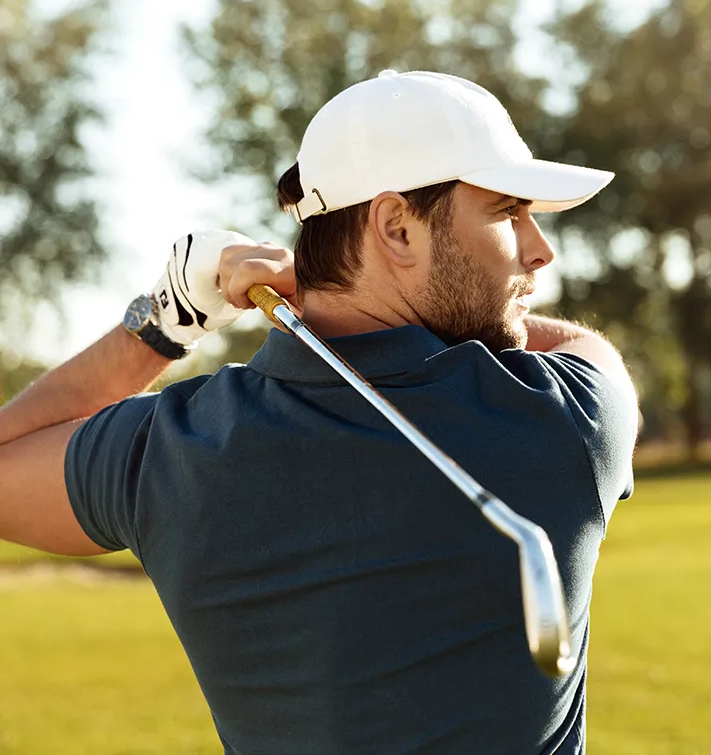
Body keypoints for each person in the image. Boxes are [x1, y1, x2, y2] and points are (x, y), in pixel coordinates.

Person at [0, 70, 638, 754]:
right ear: (396, 228)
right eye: (507, 212)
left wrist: (171, 313)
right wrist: (315, 296)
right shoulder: (565, 419)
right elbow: (589, 350)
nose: (540, 249)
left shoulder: (177, 446)